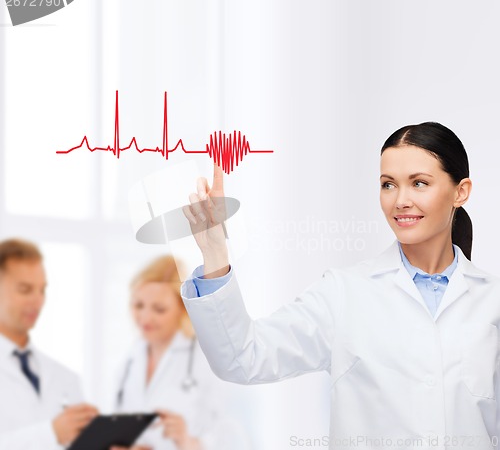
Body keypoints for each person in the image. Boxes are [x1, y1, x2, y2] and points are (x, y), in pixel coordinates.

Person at [179, 122, 500, 449]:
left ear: (461, 192)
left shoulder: (492, 301)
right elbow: (242, 358)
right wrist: (215, 253)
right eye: (388, 185)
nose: (400, 200)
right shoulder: (344, 293)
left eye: (419, 183)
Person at [111, 256, 250, 450]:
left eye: (159, 309)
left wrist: (186, 441)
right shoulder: (130, 359)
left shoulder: (207, 358)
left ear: (182, 309)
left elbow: (230, 436)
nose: (145, 317)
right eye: (138, 305)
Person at [0, 238, 99, 450]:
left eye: (41, 290)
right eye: (25, 289)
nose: (37, 300)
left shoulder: (65, 377)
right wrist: (51, 433)